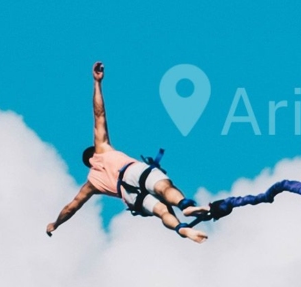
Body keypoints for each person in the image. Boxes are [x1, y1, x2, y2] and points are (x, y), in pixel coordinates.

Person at [45, 62, 209, 243]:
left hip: (128, 195)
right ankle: (184, 205)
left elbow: (72, 207)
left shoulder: (91, 184)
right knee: (164, 188)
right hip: (132, 172)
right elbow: (99, 114)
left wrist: (56, 223)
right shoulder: (102, 149)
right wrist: (97, 83)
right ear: (93, 153)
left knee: (162, 211)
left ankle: (181, 228)